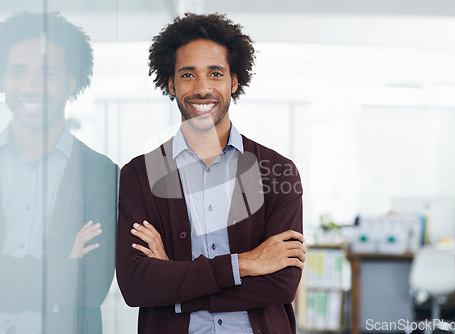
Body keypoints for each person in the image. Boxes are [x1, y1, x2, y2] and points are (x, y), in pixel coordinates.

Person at [116, 13, 306, 334]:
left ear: (234, 81)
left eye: (215, 73)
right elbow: (136, 285)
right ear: (171, 84)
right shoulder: (139, 174)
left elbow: (282, 284)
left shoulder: (278, 171)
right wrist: (245, 263)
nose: (202, 88)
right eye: (188, 75)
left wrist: (175, 282)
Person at [0, 12, 118, 333]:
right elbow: (71, 279)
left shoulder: (100, 173)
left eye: (48, 73)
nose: (31, 86)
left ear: (71, 82)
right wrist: (63, 270)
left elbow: (90, 286)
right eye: (18, 72)